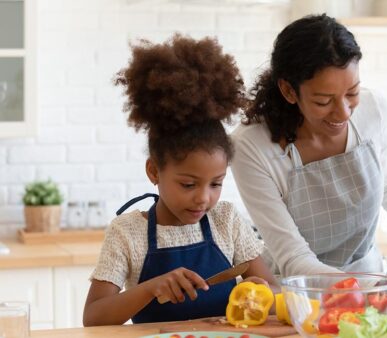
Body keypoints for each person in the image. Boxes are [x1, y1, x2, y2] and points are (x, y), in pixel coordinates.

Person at [230, 14, 387, 303]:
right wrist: (371, 289)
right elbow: (293, 255)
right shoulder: (251, 146)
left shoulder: (374, 109)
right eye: (323, 101)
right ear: (288, 90)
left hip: (369, 281)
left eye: (352, 92)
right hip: (299, 298)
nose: (344, 113)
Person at [83, 35, 276, 326]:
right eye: (188, 184)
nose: (203, 198)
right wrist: (150, 288)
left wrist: (263, 293)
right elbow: (94, 318)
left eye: (216, 184)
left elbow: (274, 292)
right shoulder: (127, 233)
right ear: (154, 172)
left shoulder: (227, 222)